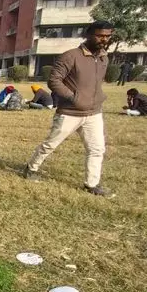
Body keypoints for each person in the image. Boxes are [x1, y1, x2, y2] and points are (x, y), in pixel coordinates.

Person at [24, 20, 115, 197]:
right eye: (99, 36)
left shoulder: (104, 58)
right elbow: (54, 80)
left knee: (97, 149)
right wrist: (73, 97)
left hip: (93, 113)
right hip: (70, 112)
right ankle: (31, 168)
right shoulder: (71, 56)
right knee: (50, 144)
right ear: (88, 35)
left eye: (107, 36)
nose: (103, 39)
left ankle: (92, 184)